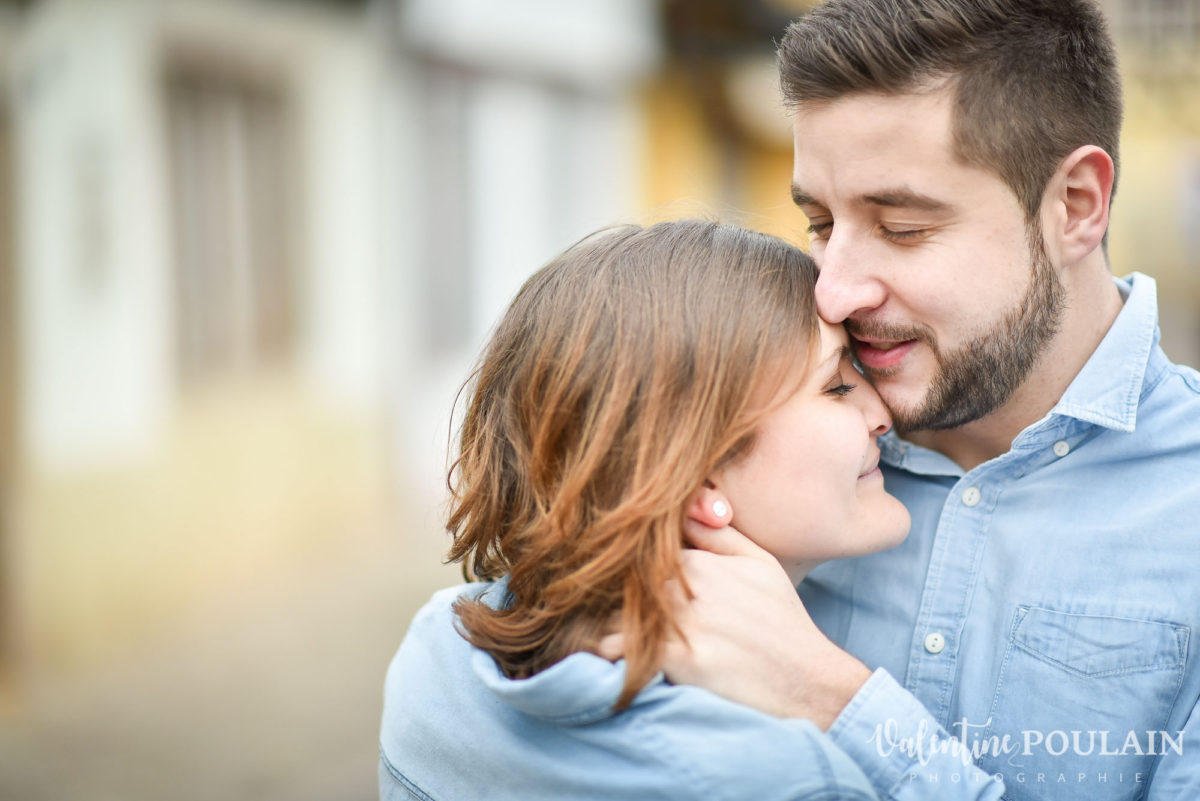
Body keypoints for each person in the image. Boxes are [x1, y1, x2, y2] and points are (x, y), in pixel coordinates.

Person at [655, 2, 1200, 800]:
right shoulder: (766, 435)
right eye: (818, 221)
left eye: (902, 227)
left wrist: (829, 700)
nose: (835, 290)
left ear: (1076, 204)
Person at [378, 219, 912, 800]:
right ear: (688, 466)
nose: (881, 411)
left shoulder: (436, 655)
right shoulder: (784, 779)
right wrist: (845, 705)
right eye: (835, 385)